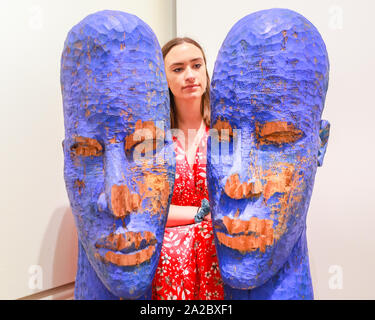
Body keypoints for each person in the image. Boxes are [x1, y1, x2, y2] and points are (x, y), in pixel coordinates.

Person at [152, 38, 224, 300]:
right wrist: (200, 213)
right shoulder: (152, 140)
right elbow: (148, 211)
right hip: (169, 271)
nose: (190, 75)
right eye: (178, 69)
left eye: (196, 65)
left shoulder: (226, 133)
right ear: (164, 78)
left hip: (220, 266)